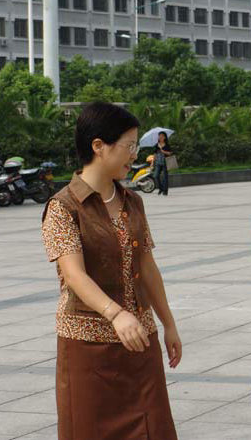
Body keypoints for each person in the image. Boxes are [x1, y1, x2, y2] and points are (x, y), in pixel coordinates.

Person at [42, 102, 181, 440]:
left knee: (153, 430)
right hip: (88, 351)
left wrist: (169, 324)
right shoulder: (63, 207)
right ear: (98, 146)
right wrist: (116, 314)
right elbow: (74, 275)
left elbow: (147, 265)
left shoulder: (133, 201)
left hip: (139, 342)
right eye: (129, 145)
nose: (134, 154)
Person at [153, 131, 172, 195]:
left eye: (161, 136)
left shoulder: (167, 145)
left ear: (164, 137)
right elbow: (155, 154)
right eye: (159, 136)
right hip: (158, 162)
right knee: (156, 176)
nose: (160, 137)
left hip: (165, 162)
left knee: (165, 177)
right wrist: (152, 162)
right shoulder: (156, 145)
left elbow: (170, 153)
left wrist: (163, 151)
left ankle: (165, 191)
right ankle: (161, 188)